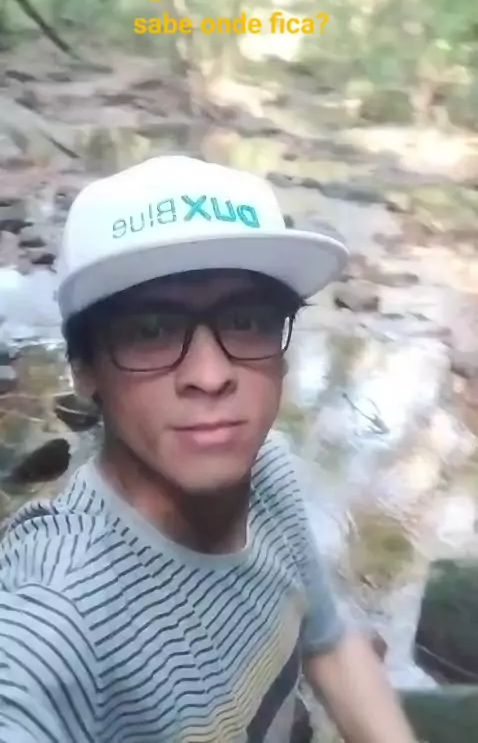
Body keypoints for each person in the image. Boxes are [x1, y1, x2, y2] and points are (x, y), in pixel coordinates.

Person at [0, 156, 417, 743]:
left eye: (245, 320)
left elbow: (328, 643)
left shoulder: (268, 469)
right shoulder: (57, 617)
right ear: (85, 369)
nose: (210, 374)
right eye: (150, 330)